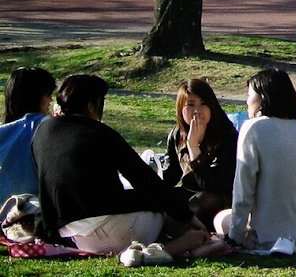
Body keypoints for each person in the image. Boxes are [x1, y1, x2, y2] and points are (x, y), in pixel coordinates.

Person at [32, 74, 221, 257]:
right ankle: (177, 246)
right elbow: (145, 180)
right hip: (114, 229)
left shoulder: (43, 132)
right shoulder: (100, 133)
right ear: (91, 106)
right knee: (162, 208)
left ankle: (178, 241)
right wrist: (189, 217)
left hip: (71, 235)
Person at [217, 69, 296, 252]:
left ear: (262, 98)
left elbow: (244, 192)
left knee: (221, 218)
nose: (246, 101)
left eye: (249, 95)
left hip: (269, 237)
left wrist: (234, 238)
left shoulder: (252, 129)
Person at [160, 79, 238, 230]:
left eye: (203, 104)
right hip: (189, 193)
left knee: (201, 201)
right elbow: (170, 176)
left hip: (220, 198)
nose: (197, 111)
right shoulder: (177, 135)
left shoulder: (227, 136)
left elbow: (213, 185)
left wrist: (194, 147)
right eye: (190, 105)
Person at [0, 66, 55, 199]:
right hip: (35, 212)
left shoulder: (4, 132)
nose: (51, 101)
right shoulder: (48, 128)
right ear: (34, 96)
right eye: (48, 94)